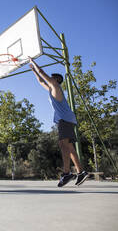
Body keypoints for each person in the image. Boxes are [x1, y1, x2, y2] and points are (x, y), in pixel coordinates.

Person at [29, 57, 89, 187]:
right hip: (67, 119)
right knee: (69, 147)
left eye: (52, 77)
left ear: (56, 80)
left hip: (65, 119)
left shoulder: (56, 87)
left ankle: (67, 173)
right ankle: (81, 172)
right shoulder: (51, 90)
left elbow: (42, 74)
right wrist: (33, 70)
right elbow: (40, 80)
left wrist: (33, 61)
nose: (49, 78)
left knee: (63, 145)